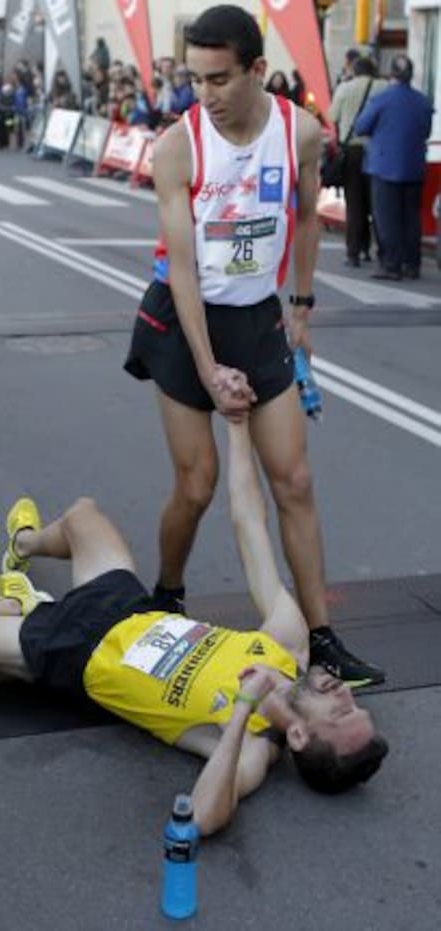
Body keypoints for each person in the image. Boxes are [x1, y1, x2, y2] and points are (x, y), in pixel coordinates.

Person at [0, 420, 388, 836]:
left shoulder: (252, 746)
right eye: (354, 703)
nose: (346, 695)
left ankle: (20, 610)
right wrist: (236, 425)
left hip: (66, 648)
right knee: (83, 514)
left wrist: (242, 708)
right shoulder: (288, 644)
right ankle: (24, 546)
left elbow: (205, 817)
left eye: (340, 714)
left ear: (299, 736)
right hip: (126, 604)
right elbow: (250, 526)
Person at [123, 4, 384, 687]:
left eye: (218, 79)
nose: (203, 94)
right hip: (185, 321)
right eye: (194, 78)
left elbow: (305, 218)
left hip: (258, 316)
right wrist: (208, 370)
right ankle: (167, 593)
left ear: (257, 71)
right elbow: (181, 267)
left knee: (294, 480)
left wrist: (300, 308)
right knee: (199, 482)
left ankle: (322, 636)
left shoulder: (298, 132)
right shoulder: (180, 143)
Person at [354, 54, 433, 281]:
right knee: (411, 217)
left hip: (384, 165)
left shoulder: (381, 99)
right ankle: (412, 264)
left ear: (391, 75)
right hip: (414, 166)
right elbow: (426, 131)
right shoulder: (423, 101)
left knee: (387, 218)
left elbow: (361, 127)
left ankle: (391, 265)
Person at [327, 56, 387, 267]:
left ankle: (354, 252)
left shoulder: (345, 88)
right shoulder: (384, 87)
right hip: (377, 151)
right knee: (377, 203)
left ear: (355, 70)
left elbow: (331, 116)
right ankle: (377, 251)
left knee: (354, 204)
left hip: (351, 151)